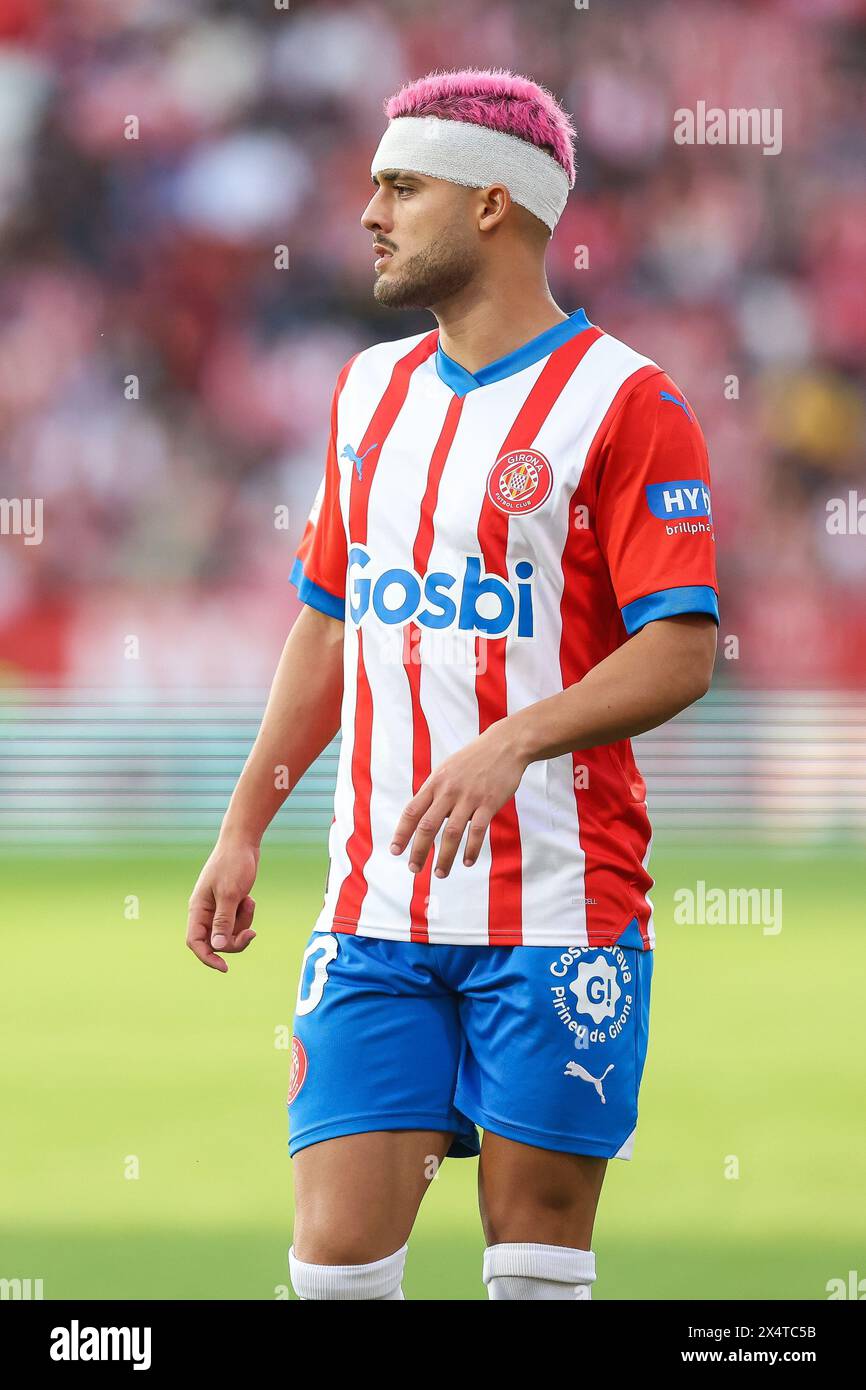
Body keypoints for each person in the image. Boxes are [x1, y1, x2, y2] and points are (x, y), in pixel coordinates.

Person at [187, 68, 719, 1301]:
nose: (367, 212)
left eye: (399, 186)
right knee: (333, 1272)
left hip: (554, 910)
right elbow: (325, 629)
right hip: (372, 910)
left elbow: (681, 647)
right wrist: (243, 824)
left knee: (531, 1267)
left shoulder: (628, 403)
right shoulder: (365, 391)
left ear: (492, 204)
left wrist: (512, 738)